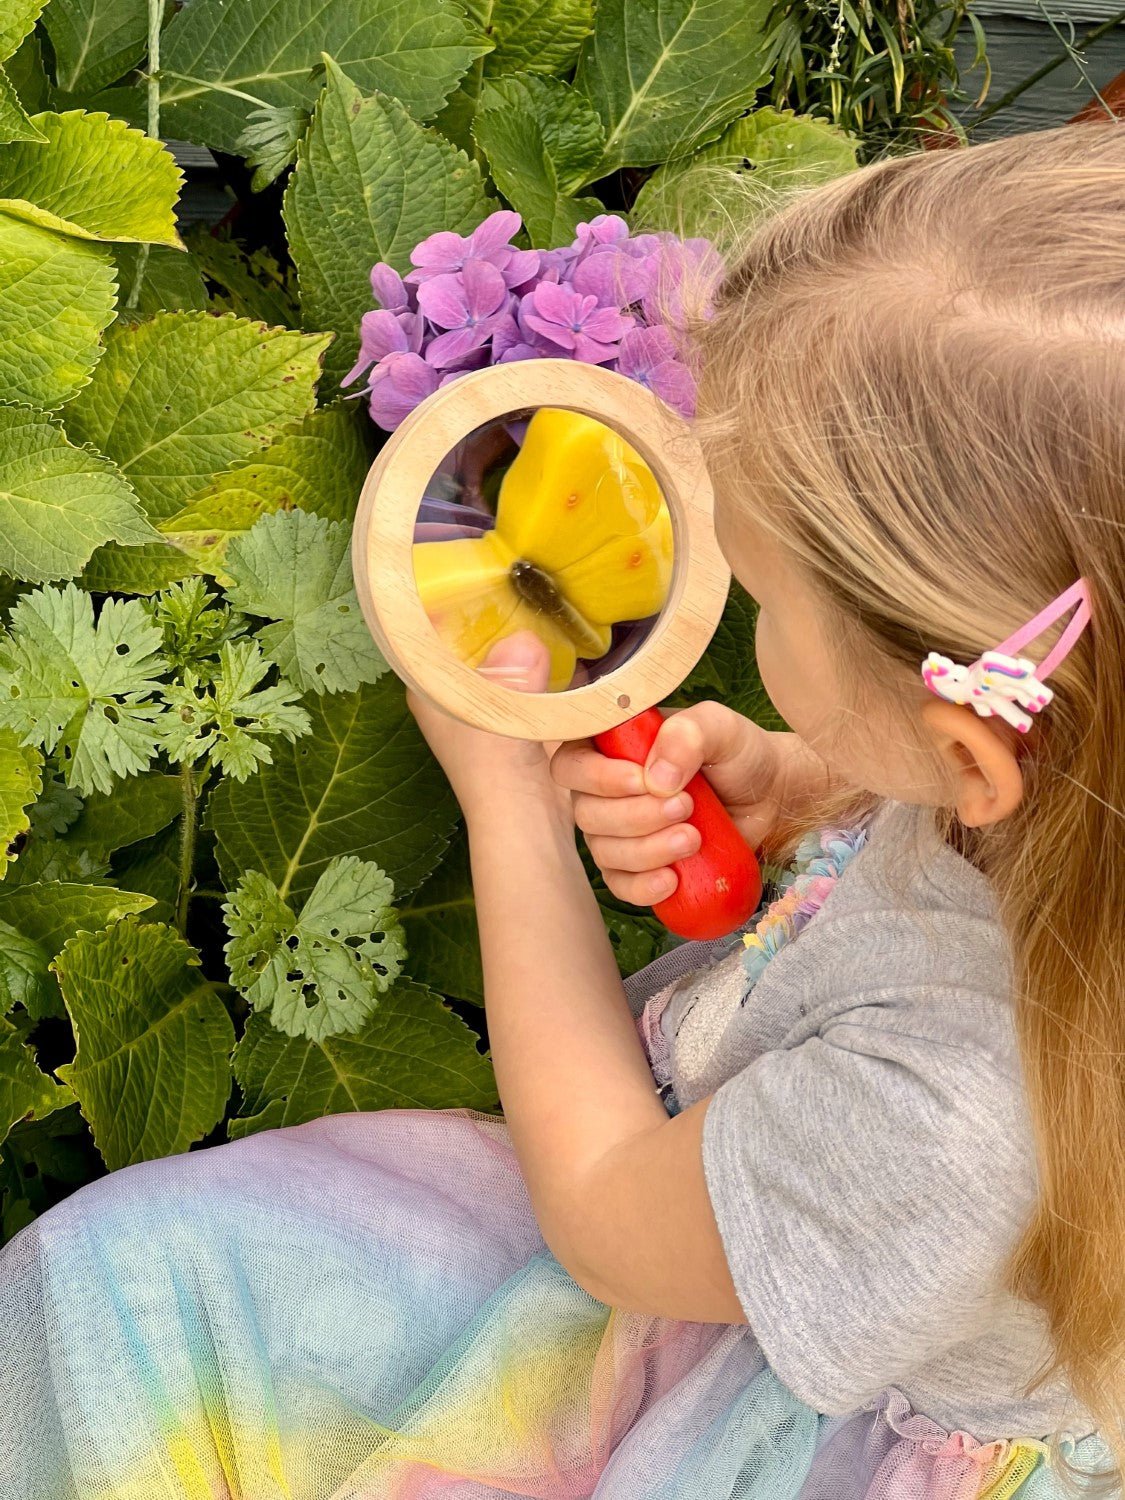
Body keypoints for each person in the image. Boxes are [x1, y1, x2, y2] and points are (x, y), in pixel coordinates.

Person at [2, 124, 1122, 1499]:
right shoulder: (1073, 774)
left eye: (766, 606)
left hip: (738, 1349)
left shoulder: (948, 1127)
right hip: (796, 1213)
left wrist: (506, 809)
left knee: (138, 1292)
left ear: (969, 747)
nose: (744, 615)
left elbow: (605, 1216)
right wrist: (817, 775)